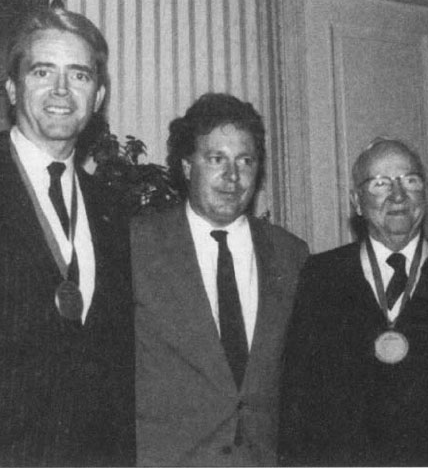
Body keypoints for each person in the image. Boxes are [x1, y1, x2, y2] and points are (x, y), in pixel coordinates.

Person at [0, 8, 134, 466]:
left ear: (98, 95)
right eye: (43, 71)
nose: (62, 91)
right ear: (12, 88)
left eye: (79, 75)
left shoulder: (113, 209)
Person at [278, 138, 428, 466]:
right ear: (357, 202)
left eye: (410, 180)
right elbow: (297, 396)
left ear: (426, 194)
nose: (398, 195)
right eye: (380, 183)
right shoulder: (320, 276)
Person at [132, 92, 309, 466]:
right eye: (216, 159)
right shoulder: (137, 245)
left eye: (245, 161)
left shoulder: (292, 255)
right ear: (185, 166)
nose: (232, 176)